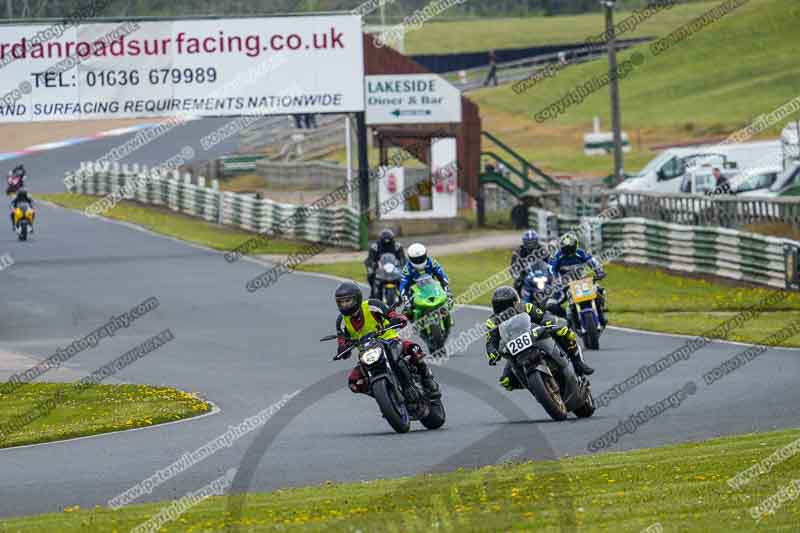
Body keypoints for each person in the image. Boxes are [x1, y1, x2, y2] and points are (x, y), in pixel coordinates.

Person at [333, 281, 440, 397]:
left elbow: (390, 313)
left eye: (348, 301)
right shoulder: (342, 321)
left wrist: (397, 319)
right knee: (354, 382)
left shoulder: (372, 305)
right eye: (341, 302)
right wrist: (343, 348)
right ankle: (385, 395)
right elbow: (342, 340)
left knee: (413, 349)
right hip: (367, 353)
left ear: (357, 298)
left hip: (389, 341)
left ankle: (427, 378)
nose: (344, 305)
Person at [485, 286, 594, 393]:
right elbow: (491, 340)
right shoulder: (493, 321)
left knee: (564, 332)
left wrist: (548, 323)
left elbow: (541, 317)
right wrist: (492, 352)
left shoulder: (526, 307)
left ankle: (578, 362)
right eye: (500, 306)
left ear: (515, 302)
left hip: (535, 334)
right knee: (506, 381)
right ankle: (534, 386)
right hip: (515, 348)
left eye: (508, 305)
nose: (505, 309)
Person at [549, 234, 607, 326]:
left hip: (583, 282)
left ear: (575, 246)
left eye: (570, 249)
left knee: (600, 291)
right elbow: (551, 269)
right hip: (565, 285)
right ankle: (566, 319)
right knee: (550, 304)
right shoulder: (558, 256)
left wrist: (599, 272)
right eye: (566, 249)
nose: (569, 253)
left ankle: (601, 313)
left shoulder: (581, 253)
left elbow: (592, 261)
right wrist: (555, 280)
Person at [399, 243, 451, 310]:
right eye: (416, 260)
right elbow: (403, 286)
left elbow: (442, 276)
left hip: (432, 289)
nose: (419, 261)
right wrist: (406, 300)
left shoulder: (432, 262)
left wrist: (446, 291)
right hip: (415, 293)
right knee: (407, 310)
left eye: (421, 258)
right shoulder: (407, 269)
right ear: (410, 258)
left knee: (446, 304)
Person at [365, 229, 406, 299]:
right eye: (385, 240)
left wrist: (403, 266)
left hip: (394, 269)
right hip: (380, 269)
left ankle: (405, 293)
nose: (387, 242)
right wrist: (371, 267)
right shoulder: (375, 247)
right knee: (370, 276)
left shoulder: (397, 246)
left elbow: (403, 258)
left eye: (388, 240)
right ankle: (373, 293)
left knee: (405, 278)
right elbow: (370, 259)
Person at [511, 230, 550, 295]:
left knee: (553, 283)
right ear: (524, 242)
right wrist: (519, 277)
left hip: (541, 273)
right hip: (525, 274)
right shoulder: (518, 252)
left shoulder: (543, 249)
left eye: (533, 242)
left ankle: (554, 300)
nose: (530, 245)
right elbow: (513, 268)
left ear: (537, 242)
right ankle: (518, 301)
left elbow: (551, 262)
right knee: (517, 284)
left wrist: (550, 273)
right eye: (528, 243)